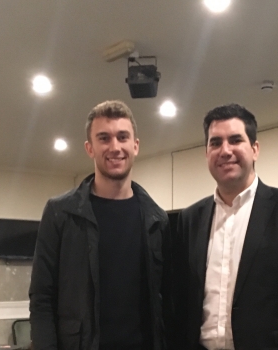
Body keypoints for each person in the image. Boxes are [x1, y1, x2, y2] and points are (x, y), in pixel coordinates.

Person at [173, 103, 278, 350]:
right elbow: (180, 301)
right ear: (206, 153)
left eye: (235, 140)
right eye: (215, 143)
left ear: (255, 149)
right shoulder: (190, 219)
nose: (225, 151)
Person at [29, 100, 171, 350]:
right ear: (90, 148)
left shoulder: (157, 220)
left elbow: (166, 302)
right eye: (104, 138)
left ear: (135, 145)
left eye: (122, 137)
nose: (115, 147)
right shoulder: (60, 213)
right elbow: (42, 298)